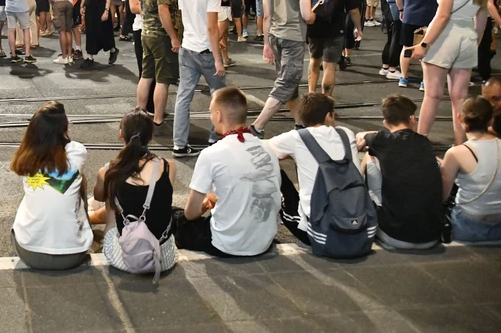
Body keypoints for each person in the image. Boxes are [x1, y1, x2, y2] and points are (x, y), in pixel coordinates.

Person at [175, 87, 281, 257]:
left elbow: (191, 213)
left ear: (219, 116)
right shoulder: (268, 149)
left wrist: (206, 204)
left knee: (176, 217)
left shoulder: (211, 154)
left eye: (211, 112)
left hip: (226, 245)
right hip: (263, 243)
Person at [411, 0, 487, 144]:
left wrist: (424, 44)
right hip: (468, 38)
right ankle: (460, 145)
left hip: (445, 37)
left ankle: (420, 142)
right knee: (459, 98)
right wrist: (474, 43)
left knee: (432, 95)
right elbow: (481, 22)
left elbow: (443, 16)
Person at [93, 109, 178, 278]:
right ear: (151, 136)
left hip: (123, 258)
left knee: (111, 195)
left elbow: (98, 197)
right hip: (163, 258)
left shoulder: (108, 171)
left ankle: (100, 226)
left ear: (120, 134)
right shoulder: (169, 167)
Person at [268, 93, 360, 245]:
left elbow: (264, 148)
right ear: (329, 116)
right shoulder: (346, 134)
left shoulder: (297, 138)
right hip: (357, 226)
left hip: (319, 235)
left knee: (272, 163)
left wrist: (294, 155)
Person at [9, 101, 92, 270]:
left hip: (29, 253)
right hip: (73, 254)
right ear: (63, 128)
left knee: (32, 194)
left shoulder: (27, 158)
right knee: (79, 181)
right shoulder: (77, 152)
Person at [355, 95, 443, 250]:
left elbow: (359, 136)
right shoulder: (424, 143)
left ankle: (357, 209)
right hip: (432, 236)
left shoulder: (381, 140)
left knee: (370, 157)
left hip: (395, 236)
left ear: (385, 123)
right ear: (412, 119)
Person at [250, 0, 315, 138]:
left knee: (289, 83)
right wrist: (313, 16)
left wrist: (266, 44)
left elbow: (266, 16)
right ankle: (257, 126)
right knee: (287, 82)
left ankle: (300, 124)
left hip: (275, 36)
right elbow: (306, 14)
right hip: (293, 37)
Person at [173, 0, 227, 154]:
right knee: (219, 95)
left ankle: (179, 144)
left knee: (183, 97)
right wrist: (218, 59)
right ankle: (215, 138)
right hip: (205, 50)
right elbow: (212, 28)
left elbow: (185, 18)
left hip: (187, 47)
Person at [440, 97, 501, 242]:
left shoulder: (455, 153)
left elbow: (442, 196)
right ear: (491, 120)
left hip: (468, 225)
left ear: (459, 118)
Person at [306, 0, 361, 96]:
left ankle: (311, 95)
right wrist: (358, 28)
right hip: (335, 28)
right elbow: (353, 10)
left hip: (314, 27)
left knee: (314, 61)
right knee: (329, 66)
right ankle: (325, 101)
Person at [137, 0, 181, 127]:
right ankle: (158, 118)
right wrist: (174, 37)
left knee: (146, 76)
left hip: (146, 32)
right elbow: (164, 10)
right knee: (163, 80)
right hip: (161, 35)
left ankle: (140, 113)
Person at [396, 0, 446, 90]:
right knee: (428, 49)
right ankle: (425, 81)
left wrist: (402, 9)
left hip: (409, 15)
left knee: (406, 47)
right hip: (430, 16)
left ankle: (403, 77)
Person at [379, 0, 416, 80]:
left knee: (390, 40)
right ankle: (392, 68)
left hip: (389, 11)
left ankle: (385, 67)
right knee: (397, 41)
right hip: (399, 12)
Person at [81, 0, 118, 69]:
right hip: (91, 6)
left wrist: (106, 11)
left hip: (101, 6)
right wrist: (82, 5)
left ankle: (113, 50)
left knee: (104, 32)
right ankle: (89, 57)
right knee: (90, 31)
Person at [129, 0, 155, 113]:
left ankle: (153, 106)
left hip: (154, 29)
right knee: (145, 71)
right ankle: (143, 108)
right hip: (141, 29)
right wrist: (155, 9)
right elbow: (133, 7)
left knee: (156, 73)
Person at [477, 0, 501, 82]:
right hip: (482, 18)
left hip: (478, 16)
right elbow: (489, 4)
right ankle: (485, 75)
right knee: (484, 47)